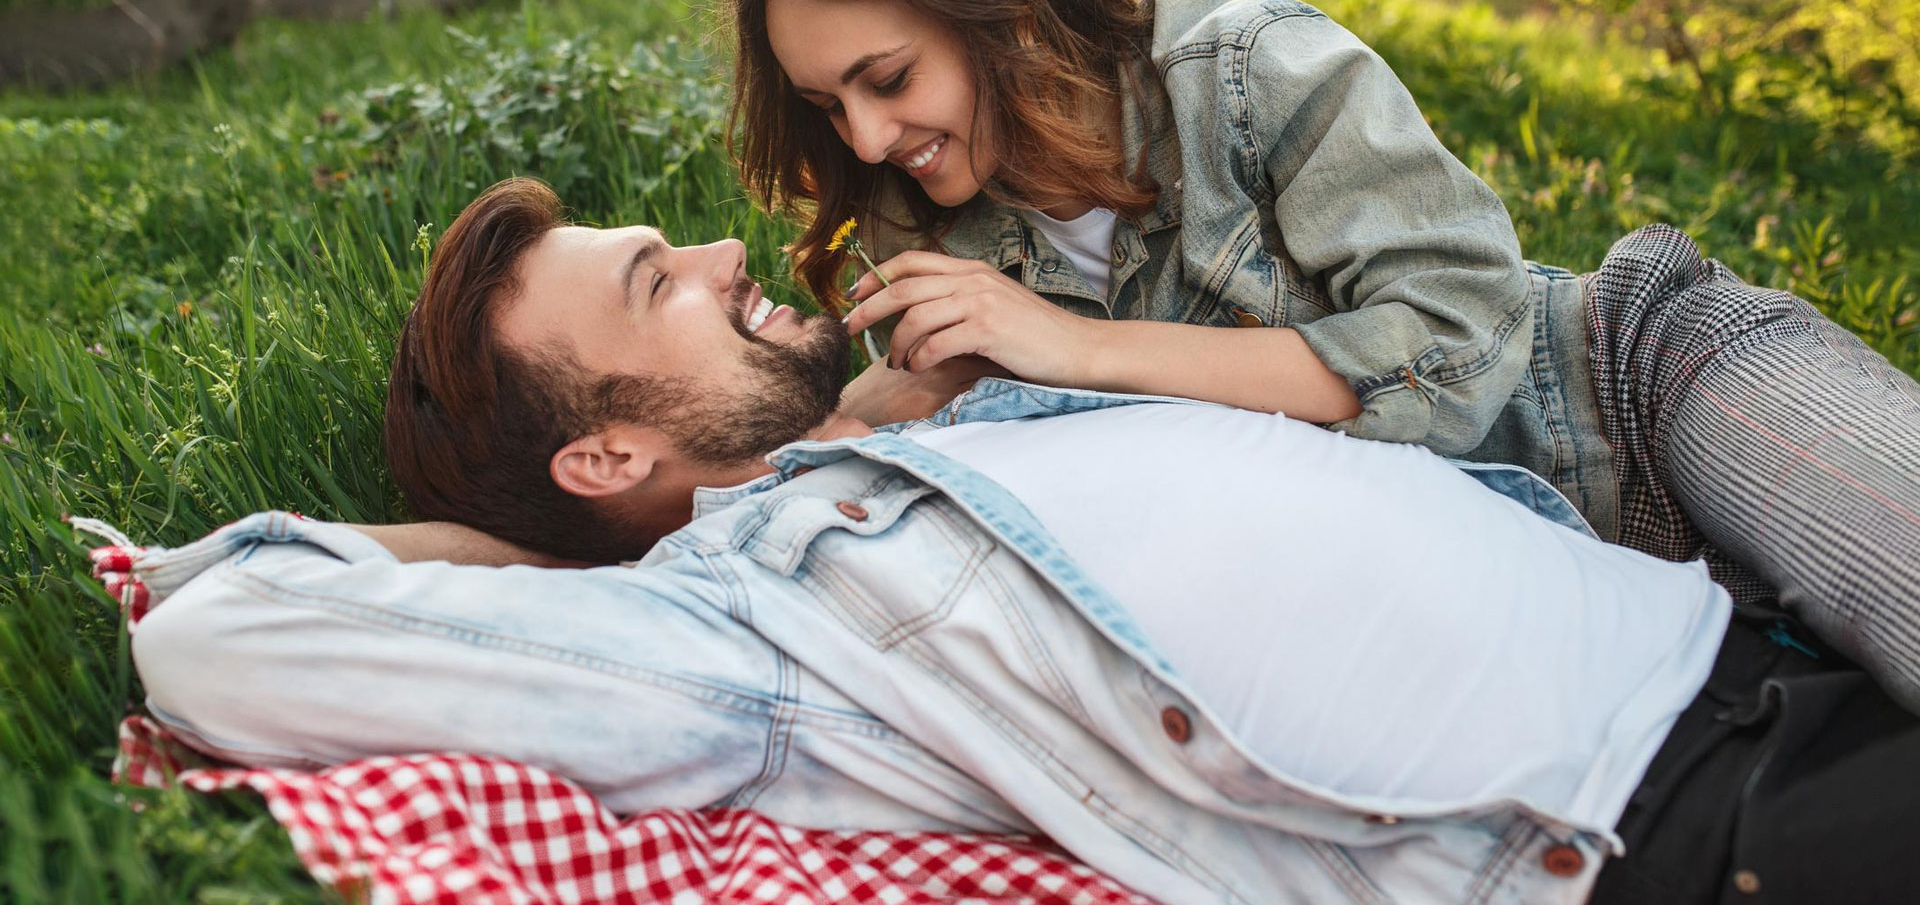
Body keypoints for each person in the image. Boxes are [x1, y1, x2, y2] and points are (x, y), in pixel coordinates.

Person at [128, 179, 1920, 905]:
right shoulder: (753, 624)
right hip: (1680, 818)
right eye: (658, 286)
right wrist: (500, 552)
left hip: (1729, 576)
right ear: (605, 449)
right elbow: (223, 645)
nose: (728, 257)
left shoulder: (968, 374)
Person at [723, 0, 1920, 712]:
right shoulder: (912, 224)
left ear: (1004, 12)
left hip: (1631, 392)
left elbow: (1459, 343)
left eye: (889, 80)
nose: (870, 141)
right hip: (1508, 597)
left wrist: (1079, 351)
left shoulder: (1249, 74)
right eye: (831, 106)